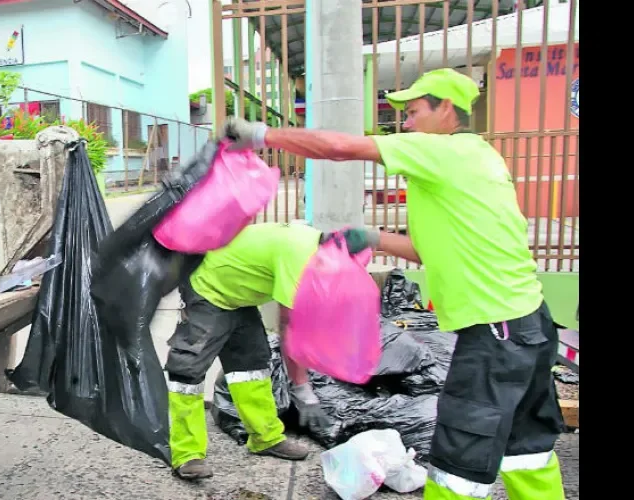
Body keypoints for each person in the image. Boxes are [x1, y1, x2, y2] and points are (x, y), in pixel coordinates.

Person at [222, 68, 566, 500]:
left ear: (445, 109)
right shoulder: (479, 156)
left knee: (458, 459)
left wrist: (260, 135)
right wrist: (374, 238)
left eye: (413, 112)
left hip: (495, 333)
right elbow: (430, 251)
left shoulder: (442, 151)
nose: (405, 123)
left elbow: (340, 147)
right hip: (529, 324)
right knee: (526, 445)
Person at [166, 221, 333, 480]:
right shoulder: (298, 259)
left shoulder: (316, 246)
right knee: (188, 372)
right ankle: (187, 454)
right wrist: (302, 390)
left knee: (252, 365)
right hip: (209, 287)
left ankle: (265, 438)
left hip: (239, 294)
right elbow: (290, 329)